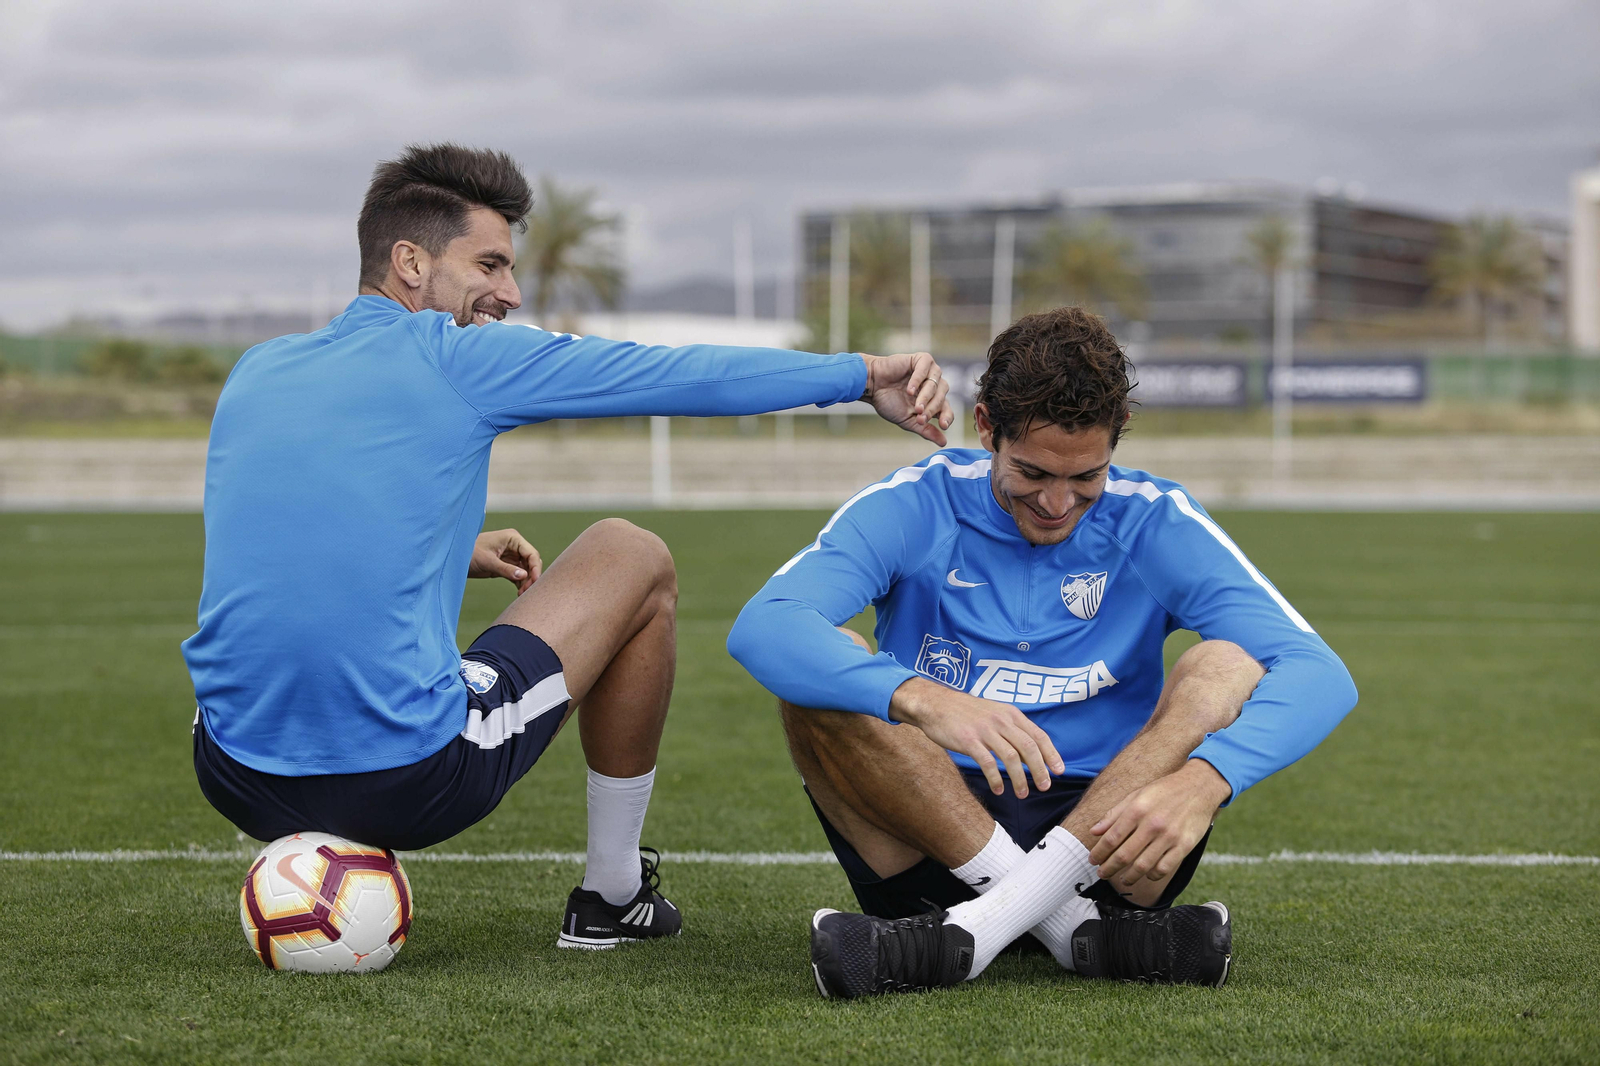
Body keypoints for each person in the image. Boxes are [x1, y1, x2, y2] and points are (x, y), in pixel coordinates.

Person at [183, 143, 953, 952]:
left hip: (235, 773)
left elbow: (289, 524)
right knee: (632, 554)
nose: (510, 293)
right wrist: (862, 375)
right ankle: (613, 895)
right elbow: (680, 375)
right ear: (410, 262)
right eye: (489, 264)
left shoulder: (256, 370)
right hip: (401, 781)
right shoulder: (459, 357)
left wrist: (455, 547)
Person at [727, 306, 1358, 997]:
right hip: (927, 836)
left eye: (1087, 477)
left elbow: (1321, 673)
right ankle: (1077, 933)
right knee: (823, 671)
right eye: (1032, 472)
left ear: (1116, 443)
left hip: (1113, 851)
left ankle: (976, 934)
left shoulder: (1155, 518)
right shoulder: (917, 502)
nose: (1058, 502)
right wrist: (924, 699)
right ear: (987, 429)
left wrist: (1209, 780)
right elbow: (764, 626)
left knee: (1226, 664)